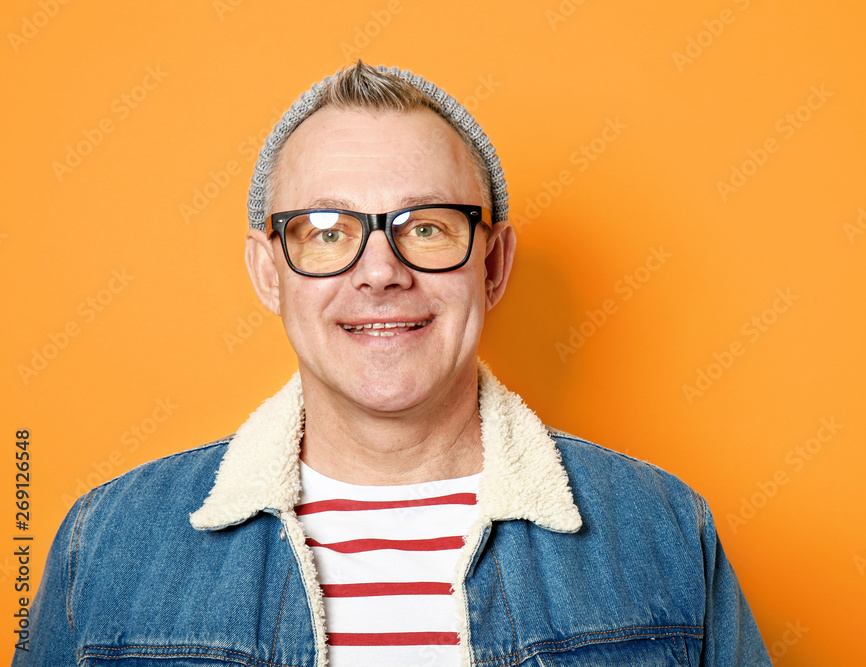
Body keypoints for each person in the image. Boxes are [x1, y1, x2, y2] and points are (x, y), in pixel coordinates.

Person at [16, 61, 771, 666]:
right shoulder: (108, 544)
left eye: (429, 227)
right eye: (324, 230)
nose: (380, 271)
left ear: (494, 262)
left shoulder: (662, 532)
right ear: (268, 270)